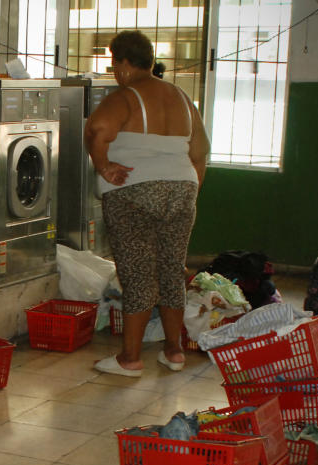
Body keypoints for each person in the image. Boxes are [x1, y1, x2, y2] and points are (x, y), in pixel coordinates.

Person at [84, 30, 208, 377]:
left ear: (123, 63)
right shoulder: (183, 98)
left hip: (134, 192)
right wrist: (184, 188)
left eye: (114, 64)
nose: (114, 71)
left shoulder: (126, 95)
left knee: (138, 273)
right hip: (182, 190)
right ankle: (174, 352)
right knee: (171, 269)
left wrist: (104, 166)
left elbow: (98, 130)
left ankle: (130, 359)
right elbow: (200, 152)